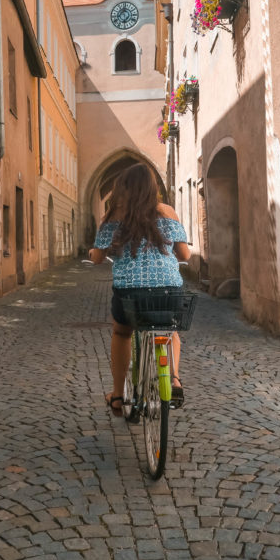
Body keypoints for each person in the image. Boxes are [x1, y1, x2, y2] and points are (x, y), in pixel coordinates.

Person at [88, 164, 190, 417]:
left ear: (123, 188)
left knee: (122, 332)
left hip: (129, 294)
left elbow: (98, 258)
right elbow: (185, 254)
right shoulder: (167, 212)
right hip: (168, 289)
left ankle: (118, 396)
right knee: (170, 330)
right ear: (152, 188)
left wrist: (94, 253)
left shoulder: (114, 216)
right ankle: (174, 380)